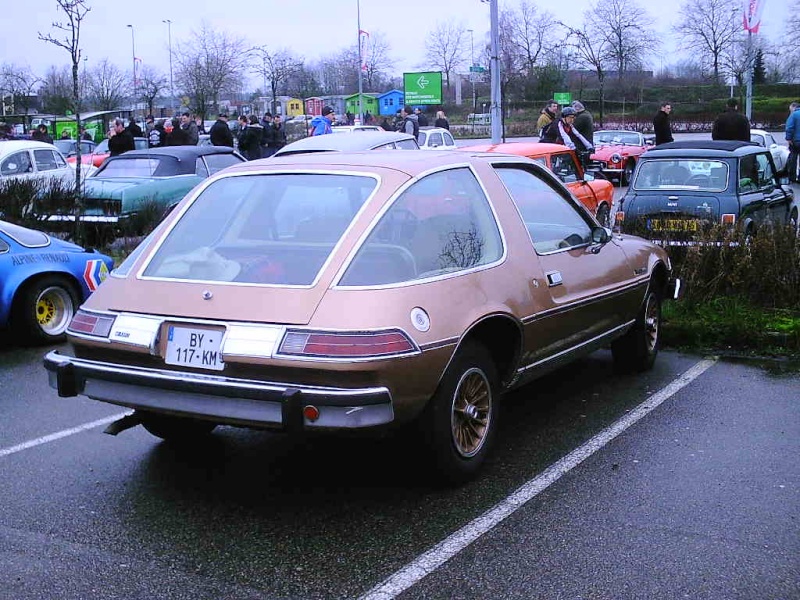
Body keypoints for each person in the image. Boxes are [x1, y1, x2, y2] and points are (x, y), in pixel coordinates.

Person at [785, 102, 800, 183]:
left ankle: (792, 177)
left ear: (793, 107)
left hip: (796, 141)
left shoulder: (793, 115)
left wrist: (788, 138)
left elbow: (789, 128)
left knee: (793, 158)